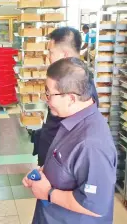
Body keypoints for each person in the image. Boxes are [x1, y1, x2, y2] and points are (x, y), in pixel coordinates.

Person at [24, 57, 117, 224]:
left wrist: (48, 193)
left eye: (49, 94)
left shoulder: (92, 144)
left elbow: (95, 205)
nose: (46, 99)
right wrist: (43, 172)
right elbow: (68, 164)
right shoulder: (72, 121)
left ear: (71, 98)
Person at [32, 27, 99, 167]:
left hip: (60, 161)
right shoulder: (64, 79)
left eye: (51, 52)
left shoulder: (81, 85)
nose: (48, 57)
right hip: (52, 153)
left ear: (65, 54)